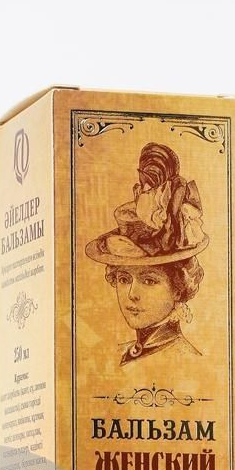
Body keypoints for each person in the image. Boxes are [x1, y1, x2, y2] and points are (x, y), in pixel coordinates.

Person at [85, 142, 209, 366]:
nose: (132, 294)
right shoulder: (116, 355)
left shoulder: (185, 361)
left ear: (179, 288)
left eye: (149, 280)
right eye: (124, 279)